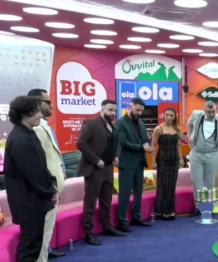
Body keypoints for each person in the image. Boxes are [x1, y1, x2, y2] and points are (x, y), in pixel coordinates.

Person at [4, 95, 58, 262]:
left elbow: (42, 167)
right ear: (25, 114)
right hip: (28, 203)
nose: (40, 115)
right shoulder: (19, 139)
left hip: (35, 200)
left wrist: (51, 185)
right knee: (29, 248)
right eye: (36, 111)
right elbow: (33, 174)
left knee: (33, 246)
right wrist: (50, 191)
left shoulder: (29, 134)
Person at [25, 89, 63, 262]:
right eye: (47, 102)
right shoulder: (37, 129)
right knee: (43, 229)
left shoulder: (44, 125)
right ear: (37, 103)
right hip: (47, 190)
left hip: (52, 188)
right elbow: (40, 162)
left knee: (47, 228)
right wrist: (50, 187)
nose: (51, 105)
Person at [77, 99, 123, 245]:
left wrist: (116, 156)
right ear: (102, 110)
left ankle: (107, 227)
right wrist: (96, 160)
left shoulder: (112, 126)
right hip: (94, 169)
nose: (113, 113)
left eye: (115, 110)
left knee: (107, 200)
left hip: (109, 168)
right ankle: (88, 233)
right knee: (90, 202)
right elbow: (81, 143)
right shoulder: (91, 124)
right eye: (110, 110)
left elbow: (116, 144)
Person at [186, 101, 218, 216]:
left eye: (213, 112)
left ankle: (209, 208)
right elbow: (189, 124)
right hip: (196, 154)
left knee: (210, 183)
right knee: (196, 182)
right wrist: (190, 137)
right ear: (204, 110)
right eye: (209, 112)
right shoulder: (196, 114)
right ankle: (197, 208)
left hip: (213, 154)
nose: (211, 114)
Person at [115, 98, 152, 232]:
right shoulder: (120, 123)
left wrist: (147, 144)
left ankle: (137, 217)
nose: (139, 113)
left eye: (141, 111)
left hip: (140, 162)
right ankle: (122, 221)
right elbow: (123, 143)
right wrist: (142, 147)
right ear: (130, 107)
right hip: (126, 163)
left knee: (138, 193)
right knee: (124, 194)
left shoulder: (141, 123)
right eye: (137, 110)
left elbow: (145, 139)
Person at [152, 107, 182, 220]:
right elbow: (153, 145)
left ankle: (170, 211)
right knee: (162, 185)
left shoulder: (177, 128)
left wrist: (181, 159)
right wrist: (153, 161)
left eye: (171, 115)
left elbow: (178, 145)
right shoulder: (158, 129)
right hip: (162, 160)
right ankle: (160, 211)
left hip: (174, 160)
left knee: (171, 185)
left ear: (174, 117)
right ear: (164, 115)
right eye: (167, 115)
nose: (168, 117)